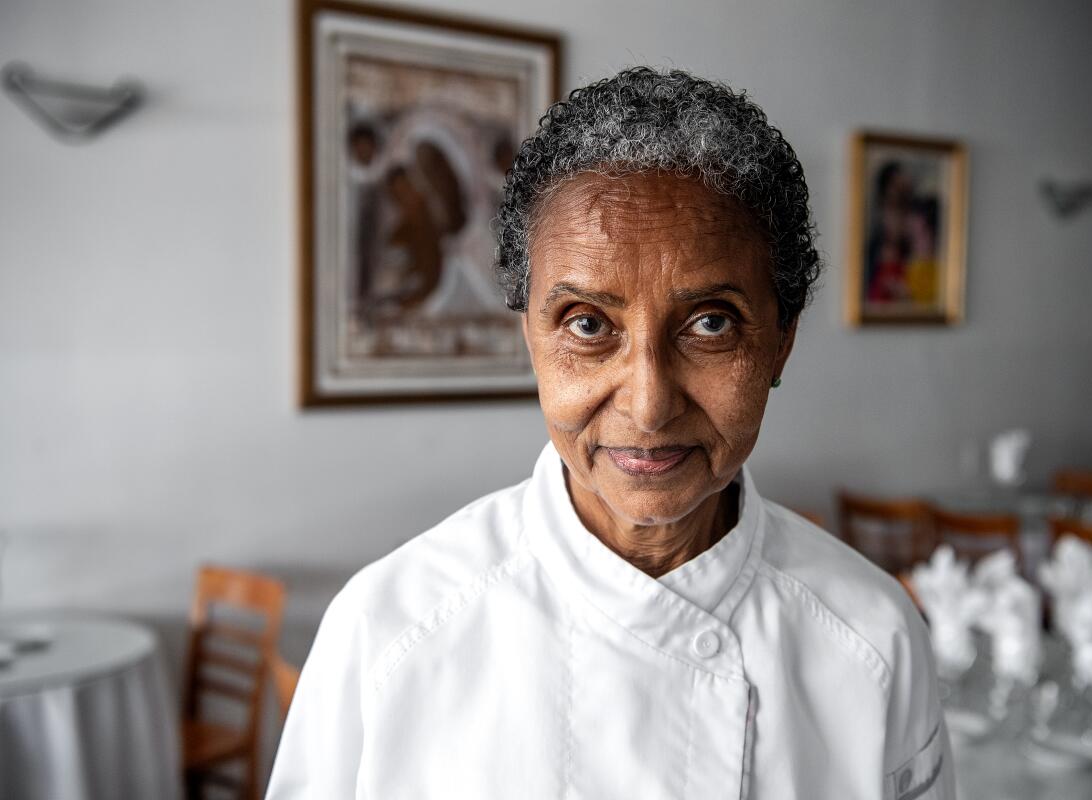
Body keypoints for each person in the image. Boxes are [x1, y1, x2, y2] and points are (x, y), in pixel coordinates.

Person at [266, 67, 953, 799]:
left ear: (780, 343)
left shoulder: (874, 642)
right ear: (531, 337)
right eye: (588, 324)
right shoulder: (389, 635)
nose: (650, 406)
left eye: (711, 323)